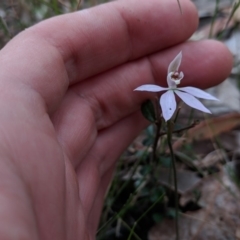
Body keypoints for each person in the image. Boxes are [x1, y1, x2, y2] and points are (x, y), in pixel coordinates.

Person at [0, 0, 232, 239]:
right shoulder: (160, 91)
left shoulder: (175, 93)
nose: (175, 74)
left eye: (176, 73)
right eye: (173, 73)